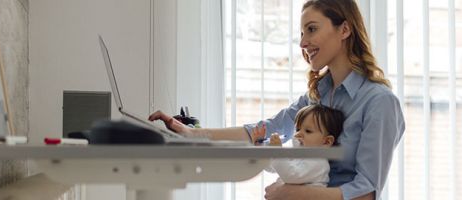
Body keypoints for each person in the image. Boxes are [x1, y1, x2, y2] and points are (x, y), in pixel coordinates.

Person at [148, 0, 405, 199]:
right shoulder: (318, 95)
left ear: (345, 29)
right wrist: (192, 134)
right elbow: (266, 130)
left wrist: (293, 194)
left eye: (311, 29)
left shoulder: (379, 102)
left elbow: (366, 193)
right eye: (302, 33)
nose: (303, 42)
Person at [252, 104, 345, 187]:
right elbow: (272, 167)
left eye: (308, 131)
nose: (298, 134)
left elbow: (291, 175)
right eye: (298, 129)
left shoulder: (318, 163)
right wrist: (260, 145)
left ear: (327, 142)